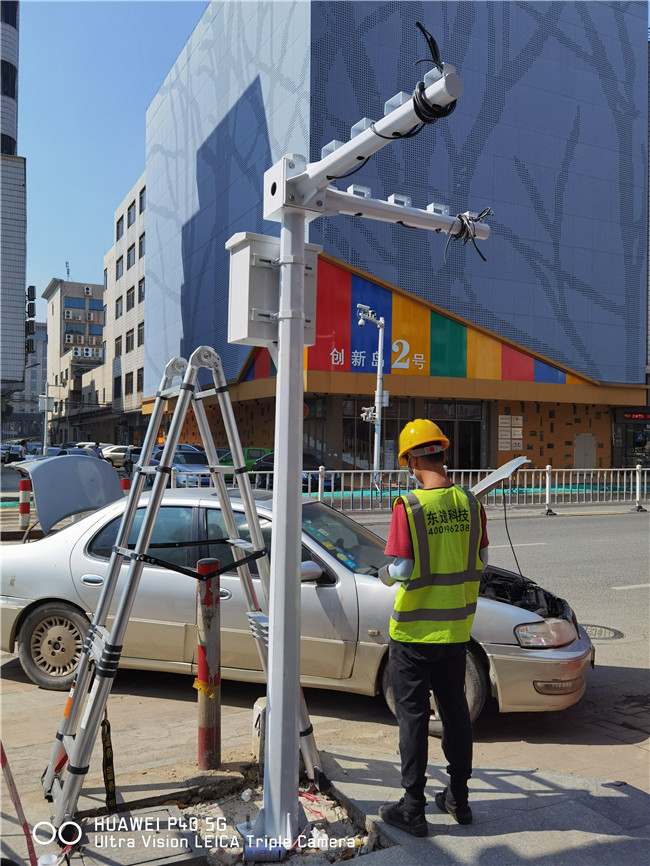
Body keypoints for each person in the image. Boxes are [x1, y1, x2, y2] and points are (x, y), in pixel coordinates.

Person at [378, 419, 489, 837]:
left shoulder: (409, 506)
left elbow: (402, 568)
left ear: (409, 460)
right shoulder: (470, 502)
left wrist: (385, 573)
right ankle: (458, 800)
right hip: (456, 630)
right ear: (442, 453)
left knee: (413, 718)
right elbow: (479, 559)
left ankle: (413, 809)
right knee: (456, 711)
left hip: (413, 633)